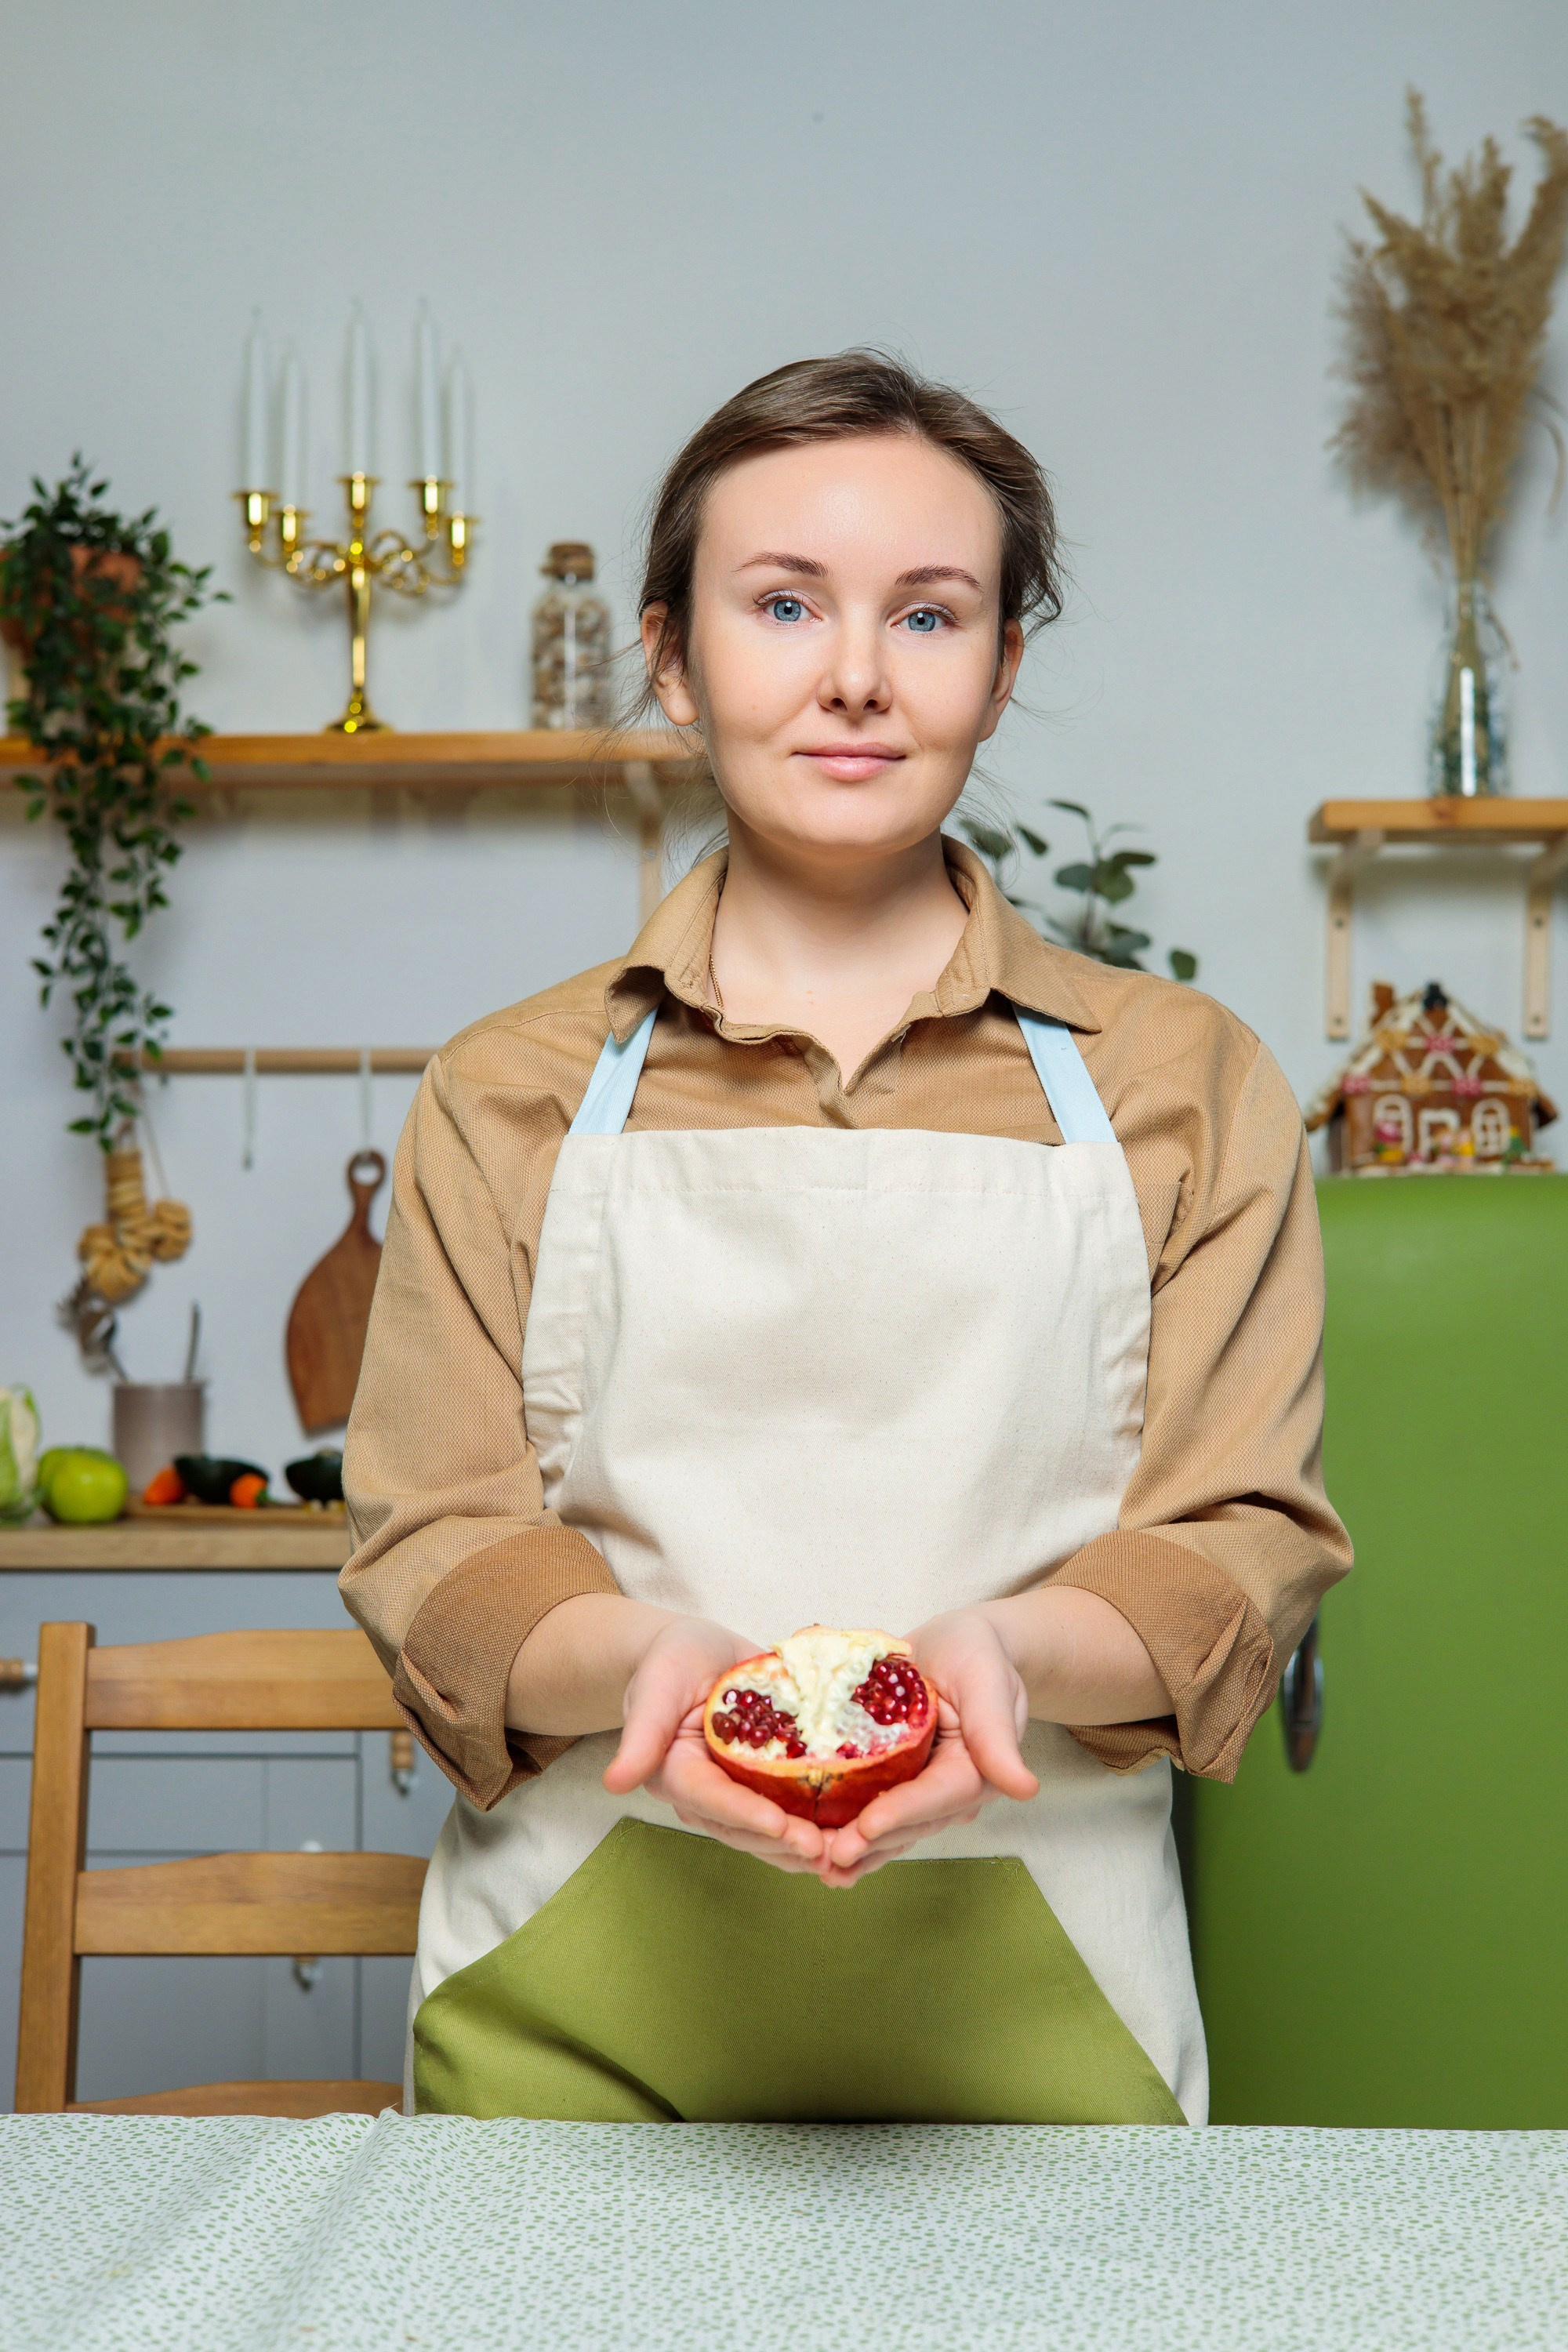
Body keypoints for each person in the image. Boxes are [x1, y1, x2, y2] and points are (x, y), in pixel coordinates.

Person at [343, 352, 1350, 2125]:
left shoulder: (1187, 1087)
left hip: (1049, 2013)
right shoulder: (507, 1093)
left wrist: (1005, 1660)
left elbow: (1235, 1541)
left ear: (1003, 666)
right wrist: (654, 1672)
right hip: (572, 2011)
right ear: (670, 653)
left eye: (931, 614)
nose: (856, 677)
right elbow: (438, 1539)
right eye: (784, 602)